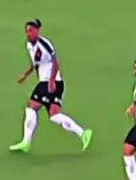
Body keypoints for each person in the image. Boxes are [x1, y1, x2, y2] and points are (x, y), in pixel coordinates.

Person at [10, 19, 92, 153]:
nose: (28, 33)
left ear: (37, 31)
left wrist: (51, 81)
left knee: (31, 107)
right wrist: (25, 75)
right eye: (26, 31)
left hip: (49, 82)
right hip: (52, 83)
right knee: (54, 115)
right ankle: (83, 133)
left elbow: (56, 62)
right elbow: (35, 64)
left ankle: (26, 142)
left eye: (30, 31)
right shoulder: (29, 46)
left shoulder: (44, 44)